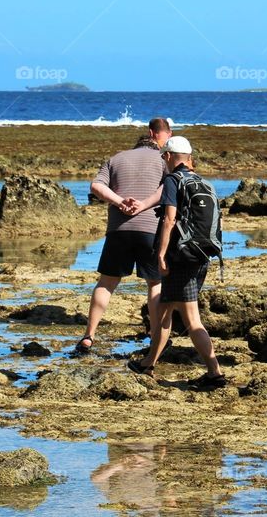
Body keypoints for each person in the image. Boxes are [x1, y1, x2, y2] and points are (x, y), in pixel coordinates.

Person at [127, 136, 225, 389]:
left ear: (169, 156)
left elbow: (169, 219)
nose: (163, 161)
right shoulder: (205, 183)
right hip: (202, 255)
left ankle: (215, 373)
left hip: (180, 258)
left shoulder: (173, 180)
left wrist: (160, 254)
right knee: (163, 310)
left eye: (164, 157)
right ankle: (148, 362)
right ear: (189, 158)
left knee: (192, 319)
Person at [74, 117, 172, 355]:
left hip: (118, 230)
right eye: (166, 137)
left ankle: (89, 336)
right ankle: (156, 337)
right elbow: (168, 188)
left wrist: (119, 202)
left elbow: (96, 186)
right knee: (155, 284)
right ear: (155, 135)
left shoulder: (116, 158)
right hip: (151, 230)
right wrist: (143, 205)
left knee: (106, 283)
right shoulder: (163, 160)